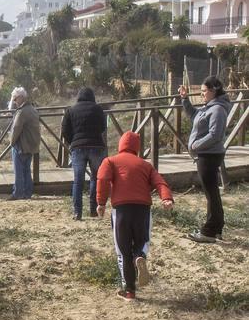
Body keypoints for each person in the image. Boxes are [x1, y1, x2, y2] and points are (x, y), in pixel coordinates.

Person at [96, 131, 174, 301]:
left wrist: (101, 203)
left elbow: (102, 178)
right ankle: (140, 256)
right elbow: (160, 182)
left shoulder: (110, 161)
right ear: (137, 148)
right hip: (143, 210)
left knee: (123, 251)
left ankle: (129, 291)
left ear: (120, 145)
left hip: (121, 211)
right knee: (142, 241)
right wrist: (166, 198)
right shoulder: (146, 165)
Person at [178, 77, 231, 243]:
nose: (201, 94)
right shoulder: (209, 108)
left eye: (204, 91)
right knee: (212, 193)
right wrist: (185, 99)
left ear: (214, 90)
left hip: (209, 155)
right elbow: (194, 115)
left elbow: (215, 135)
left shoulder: (217, 110)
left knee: (211, 193)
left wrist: (195, 146)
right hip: (206, 154)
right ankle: (215, 228)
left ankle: (210, 230)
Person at [60, 87, 107, 220]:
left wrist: (73, 141)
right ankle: (93, 209)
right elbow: (103, 127)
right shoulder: (98, 109)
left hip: (78, 148)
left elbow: (64, 130)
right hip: (96, 146)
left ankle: (77, 212)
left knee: (78, 181)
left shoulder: (71, 110)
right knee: (95, 178)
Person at [9, 87, 40, 200]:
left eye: (15, 99)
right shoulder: (32, 109)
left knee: (19, 171)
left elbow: (16, 129)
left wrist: (11, 143)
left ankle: (18, 193)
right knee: (26, 170)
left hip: (22, 145)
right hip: (31, 145)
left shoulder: (22, 112)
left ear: (21, 98)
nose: (14, 101)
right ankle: (27, 193)